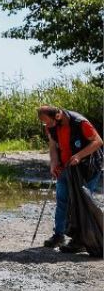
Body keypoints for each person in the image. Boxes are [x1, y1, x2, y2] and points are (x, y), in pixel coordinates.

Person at [37, 105, 103, 252]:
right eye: (44, 123)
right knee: (62, 200)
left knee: (83, 203)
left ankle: (79, 240)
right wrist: (53, 163)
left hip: (88, 167)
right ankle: (59, 235)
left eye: (47, 122)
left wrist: (79, 156)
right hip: (66, 167)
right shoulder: (51, 127)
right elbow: (53, 146)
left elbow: (98, 141)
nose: (46, 126)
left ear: (58, 116)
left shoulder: (80, 123)